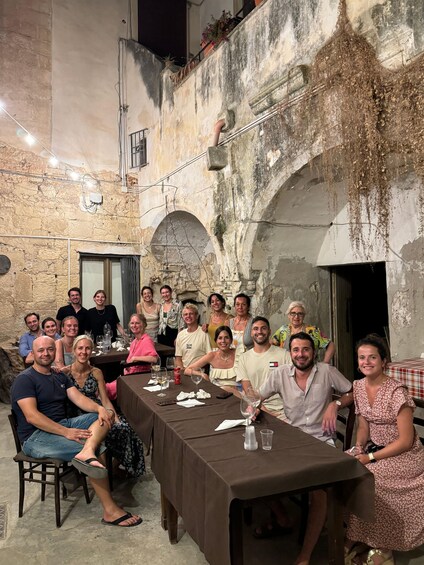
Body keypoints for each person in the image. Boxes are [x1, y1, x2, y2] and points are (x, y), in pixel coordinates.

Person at [10, 336, 142, 527]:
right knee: (100, 450)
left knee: (105, 416)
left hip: (63, 423)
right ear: (33, 352)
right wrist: (66, 432)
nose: (46, 353)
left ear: (55, 352)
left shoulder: (59, 376)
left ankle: (86, 451)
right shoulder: (25, 380)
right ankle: (110, 510)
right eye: (41, 350)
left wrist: (99, 409)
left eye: (49, 349)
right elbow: (32, 417)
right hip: (36, 437)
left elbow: (79, 399)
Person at [258, 332, 352, 565]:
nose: (301, 355)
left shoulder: (327, 372)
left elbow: (352, 392)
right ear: (290, 353)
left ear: (314, 352)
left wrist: (335, 403)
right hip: (292, 440)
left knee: (319, 492)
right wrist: (258, 410)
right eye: (296, 350)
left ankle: (304, 556)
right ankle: (282, 518)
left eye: (306, 350)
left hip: (322, 442)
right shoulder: (280, 374)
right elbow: (256, 397)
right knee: (256, 469)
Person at [345, 335, 424, 565]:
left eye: (372, 357)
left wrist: (369, 457)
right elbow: (363, 425)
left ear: (383, 362)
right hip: (372, 449)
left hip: (403, 455)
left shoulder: (396, 391)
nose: (366, 362)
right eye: (362, 357)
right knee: (340, 467)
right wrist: (359, 447)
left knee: (371, 478)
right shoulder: (358, 386)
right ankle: (358, 535)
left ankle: (383, 544)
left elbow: (406, 441)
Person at [67, 335, 145, 477]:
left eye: (87, 348)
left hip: (98, 410)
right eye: (80, 348)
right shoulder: (65, 373)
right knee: (112, 431)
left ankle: (113, 467)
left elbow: (105, 400)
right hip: (76, 416)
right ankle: (97, 466)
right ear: (73, 350)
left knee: (125, 428)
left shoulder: (96, 372)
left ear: (91, 351)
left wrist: (115, 417)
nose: (83, 352)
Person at [236, 316, 291, 420]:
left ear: (270, 331)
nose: (259, 331)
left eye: (263, 328)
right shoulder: (244, 358)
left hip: (283, 411)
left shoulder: (284, 355)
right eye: (255, 329)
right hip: (257, 409)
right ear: (251, 333)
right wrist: (263, 408)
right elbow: (248, 391)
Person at [105, 313, 158, 400]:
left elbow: (154, 359)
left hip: (138, 377)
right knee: (102, 387)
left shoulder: (146, 340)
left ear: (143, 325)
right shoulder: (134, 341)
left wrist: (135, 358)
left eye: (137, 323)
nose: (134, 325)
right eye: (132, 323)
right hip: (128, 375)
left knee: (104, 390)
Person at [175, 303, 211, 370]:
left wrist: (191, 369)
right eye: (185, 314)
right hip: (184, 371)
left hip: (199, 372)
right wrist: (182, 370)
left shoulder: (204, 333)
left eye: (191, 314)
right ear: (183, 317)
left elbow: (209, 356)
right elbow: (178, 358)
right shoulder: (180, 335)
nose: (188, 316)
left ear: (197, 316)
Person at [229, 293, 253, 366]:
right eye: (237, 304)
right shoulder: (229, 322)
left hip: (249, 361)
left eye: (243, 304)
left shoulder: (254, 323)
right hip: (231, 361)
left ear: (248, 307)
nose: (240, 307)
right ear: (234, 306)